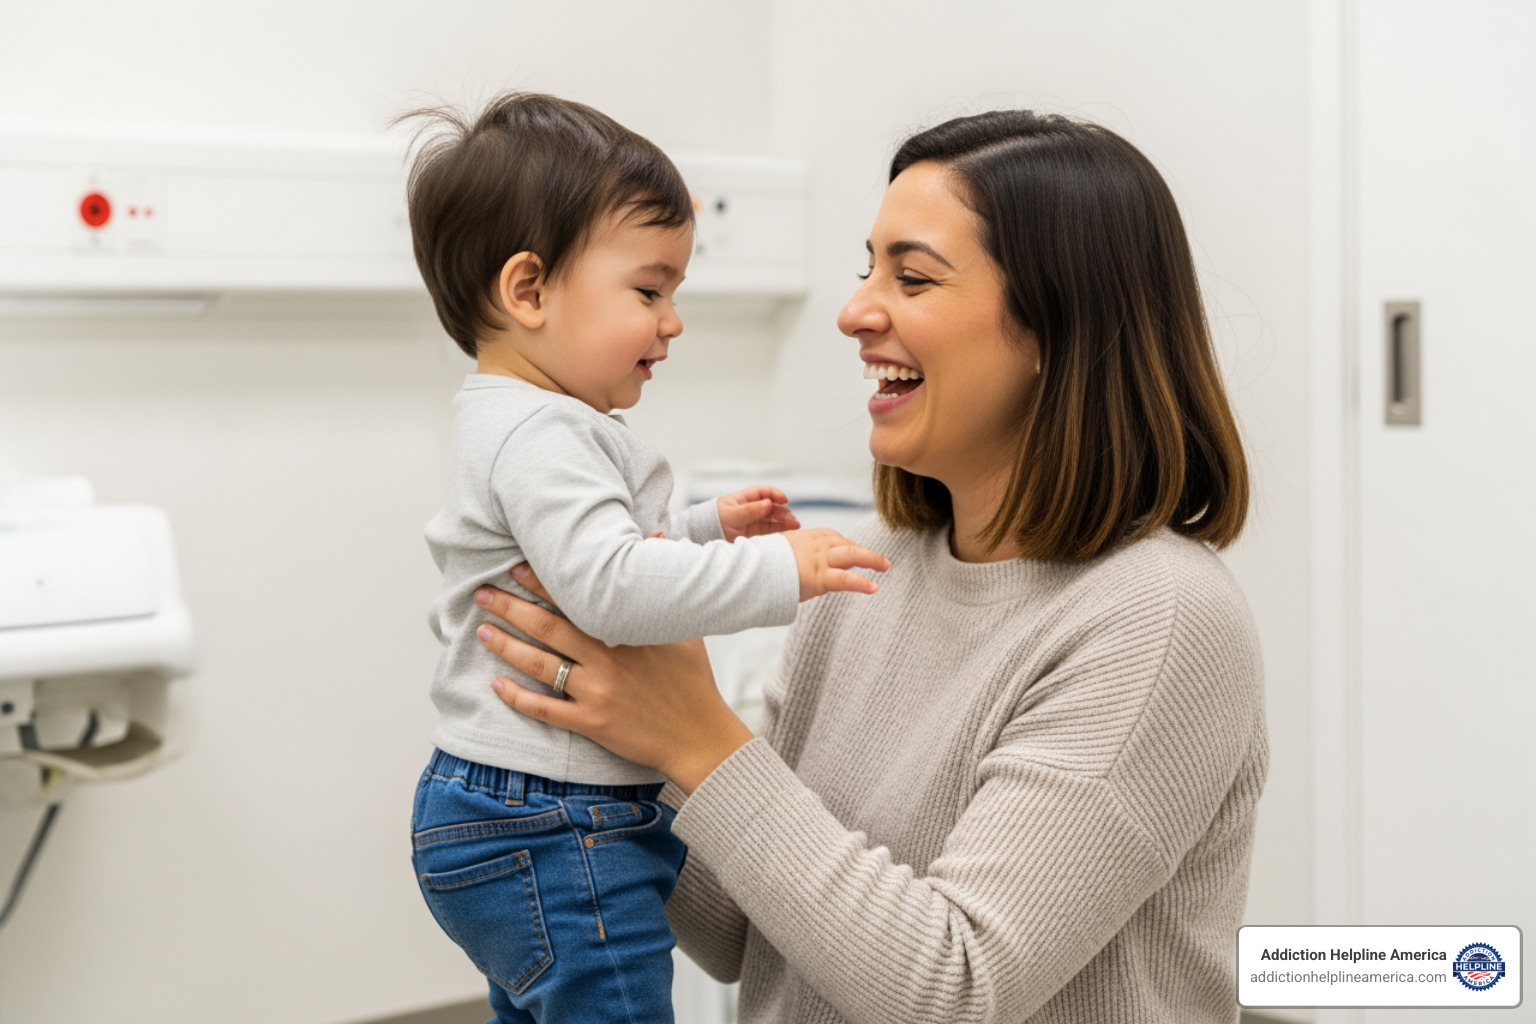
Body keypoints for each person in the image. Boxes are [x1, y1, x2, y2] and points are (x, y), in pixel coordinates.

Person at [472, 109, 1268, 1024]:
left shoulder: (1157, 620)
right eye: (867, 268)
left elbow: (953, 989)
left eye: (913, 277)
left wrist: (695, 736)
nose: (855, 312)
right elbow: (739, 929)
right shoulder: (864, 576)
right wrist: (596, 731)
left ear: (1058, 325)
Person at [400, 92, 889, 1024]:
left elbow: (602, 558)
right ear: (529, 291)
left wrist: (705, 526)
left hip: (517, 812)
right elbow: (614, 591)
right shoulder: (541, 431)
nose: (671, 323)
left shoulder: (528, 420)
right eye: (649, 290)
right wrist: (782, 569)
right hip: (550, 820)